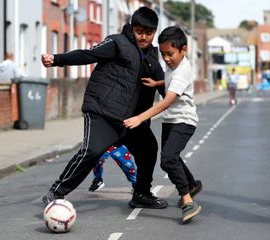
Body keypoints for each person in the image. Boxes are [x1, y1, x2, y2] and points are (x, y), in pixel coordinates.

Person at [41, 7, 167, 209]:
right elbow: (88, 54)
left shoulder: (152, 56)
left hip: (132, 119)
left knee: (149, 150)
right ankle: (57, 192)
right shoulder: (118, 43)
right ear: (132, 28)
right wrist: (57, 59)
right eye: (139, 31)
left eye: (149, 33)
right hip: (103, 111)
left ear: (154, 32)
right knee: (92, 151)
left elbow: (164, 84)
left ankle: (141, 194)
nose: (143, 37)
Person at [124, 26, 203, 223]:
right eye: (162, 54)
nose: (166, 58)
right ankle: (191, 185)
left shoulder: (182, 71)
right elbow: (169, 81)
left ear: (183, 50)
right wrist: (157, 83)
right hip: (171, 120)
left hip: (184, 121)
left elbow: (167, 101)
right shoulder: (173, 66)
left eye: (170, 54)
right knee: (172, 156)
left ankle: (187, 201)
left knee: (167, 160)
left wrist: (141, 117)